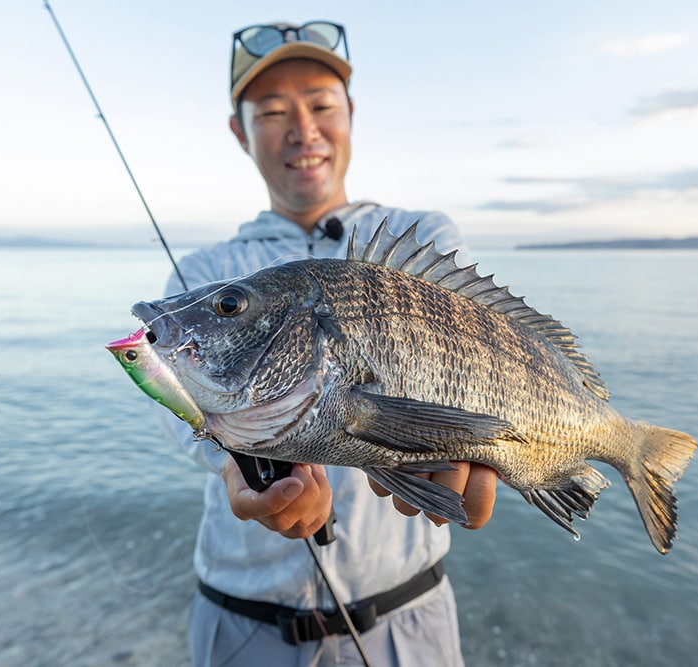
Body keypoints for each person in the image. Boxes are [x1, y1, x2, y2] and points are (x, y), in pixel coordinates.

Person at [157, 21, 498, 666]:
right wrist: (238, 467)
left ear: (349, 115)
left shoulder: (421, 236)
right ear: (240, 130)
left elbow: (476, 364)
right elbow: (180, 409)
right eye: (274, 111)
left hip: (408, 620)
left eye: (320, 105)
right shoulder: (203, 276)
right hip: (243, 620)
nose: (302, 130)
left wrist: (488, 443)